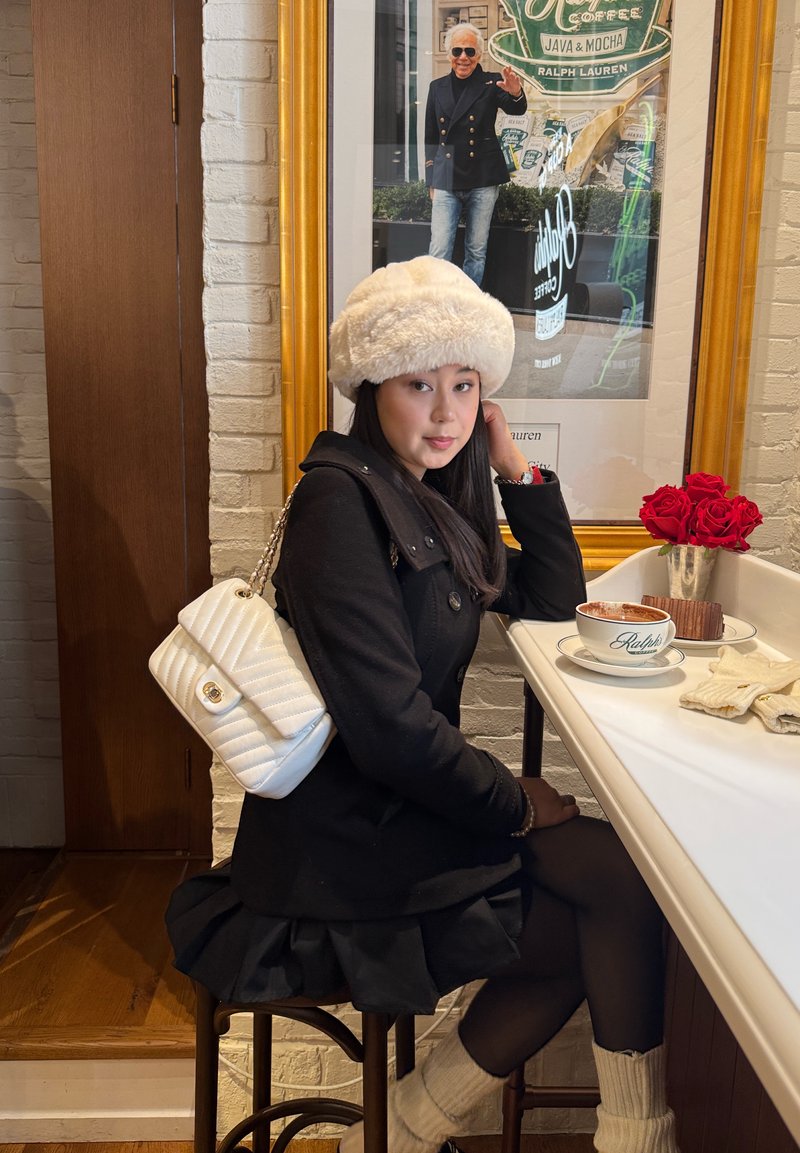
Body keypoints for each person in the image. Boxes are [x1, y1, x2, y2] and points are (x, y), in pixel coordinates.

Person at [166, 256, 680, 1153]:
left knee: (617, 896)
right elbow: (393, 732)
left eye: (464, 385)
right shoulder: (340, 500)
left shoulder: (431, 499)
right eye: (418, 384)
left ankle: (415, 1124)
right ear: (372, 388)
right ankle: (460, 1129)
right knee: (613, 901)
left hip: (403, 808)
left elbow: (555, 599)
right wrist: (517, 800)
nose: (444, 413)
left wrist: (514, 468)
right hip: (345, 836)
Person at [425, 23, 526, 286]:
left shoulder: (492, 82)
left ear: (479, 54)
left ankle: (469, 308)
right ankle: (437, 305)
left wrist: (515, 92)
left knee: (476, 251)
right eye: (457, 50)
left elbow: (518, 110)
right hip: (446, 178)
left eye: (470, 51)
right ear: (449, 54)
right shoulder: (436, 87)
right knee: (438, 251)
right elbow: (431, 137)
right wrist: (430, 180)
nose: (463, 57)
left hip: (482, 177)